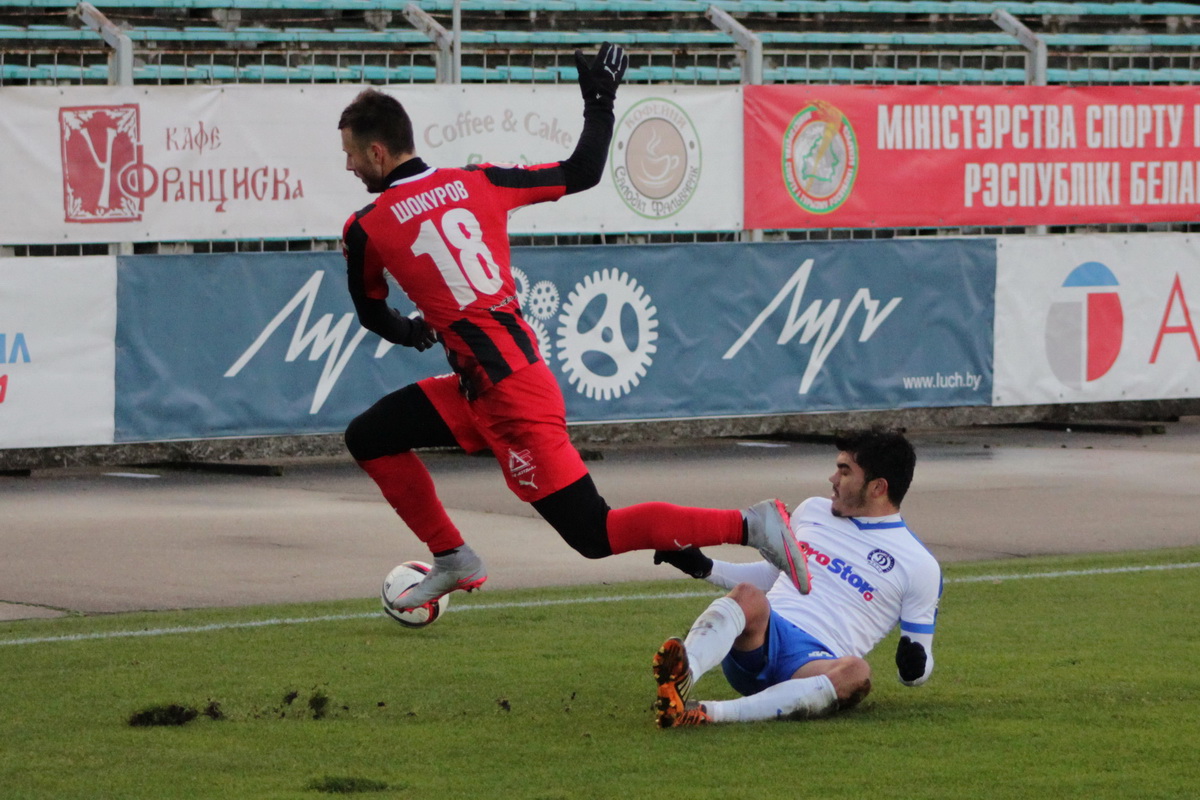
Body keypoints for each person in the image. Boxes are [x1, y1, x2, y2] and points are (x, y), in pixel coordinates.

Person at [336, 43, 810, 613]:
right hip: (491, 383)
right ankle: (452, 557)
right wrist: (600, 100)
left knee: (595, 532)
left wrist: (411, 332)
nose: (349, 167)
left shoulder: (366, 225)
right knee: (370, 435)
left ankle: (750, 524)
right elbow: (582, 171)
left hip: (508, 398)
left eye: (351, 156)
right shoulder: (478, 181)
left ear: (378, 152)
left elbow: (372, 312)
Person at [650, 429, 941, 727]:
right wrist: (704, 566)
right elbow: (771, 575)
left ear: (878, 487)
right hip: (762, 640)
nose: (833, 479)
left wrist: (914, 666)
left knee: (857, 673)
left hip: (814, 666)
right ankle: (683, 675)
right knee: (748, 594)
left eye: (845, 472)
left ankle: (706, 713)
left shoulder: (920, 565)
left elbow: (919, 668)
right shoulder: (813, 511)